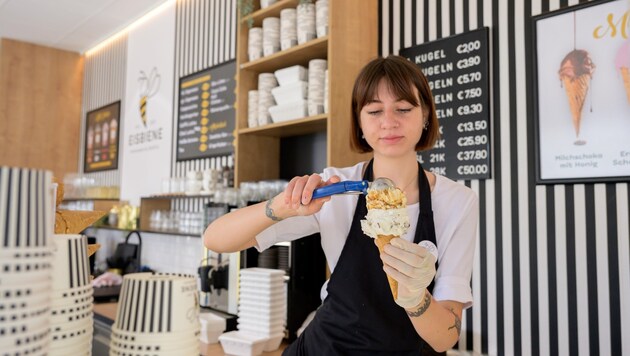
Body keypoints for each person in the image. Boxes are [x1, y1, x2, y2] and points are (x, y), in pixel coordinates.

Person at [204, 55, 478, 355]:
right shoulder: (335, 188)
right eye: (374, 110)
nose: (389, 121)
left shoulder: (457, 202)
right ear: (359, 122)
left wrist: (417, 299)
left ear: (425, 114)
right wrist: (281, 206)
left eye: (403, 108)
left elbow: (445, 338)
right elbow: (215, 239)